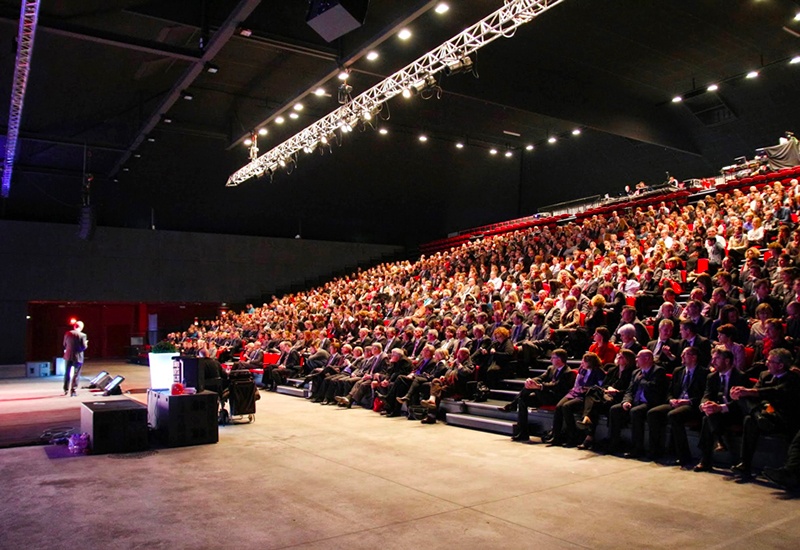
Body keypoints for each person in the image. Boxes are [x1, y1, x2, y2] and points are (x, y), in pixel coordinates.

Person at [728, 348, 800, 482]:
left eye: (770, 361)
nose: (766, 363)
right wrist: (739, 393)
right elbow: (755, 395)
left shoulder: (793, 378)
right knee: (747, 409)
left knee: (749, 411)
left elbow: (775, 391)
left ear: (780, 365)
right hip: (765, 414)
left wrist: (748, 392)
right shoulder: (764, 375)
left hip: (783, 417)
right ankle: (745, 464)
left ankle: (757, 415)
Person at [646, 346, 708, 465]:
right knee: (653, 413)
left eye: (685, 354)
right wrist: (671, 400)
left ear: (694, 357)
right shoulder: (678, 371)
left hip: (691, 405)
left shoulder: (703, 373)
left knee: (674, 415)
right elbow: (669, 391)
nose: (682, 357)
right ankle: (655, 450)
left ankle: (683, 455)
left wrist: (687, 401)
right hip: (676, 402)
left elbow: (703, 395)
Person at [501, 348, 574, 442]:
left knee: (533, 388)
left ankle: (512, 405)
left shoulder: (568, 372)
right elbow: (540, 378)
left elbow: (557, 386)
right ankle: (523, 432)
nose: (551, 360)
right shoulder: (551, 368)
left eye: (553, 358)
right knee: (522, 400)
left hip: (555, 397)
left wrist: (539, 386)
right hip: (544, 395)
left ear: (559, 359)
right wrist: (531, 381)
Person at [694, 348, 747, 473]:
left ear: (727, 361)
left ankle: (706, 459)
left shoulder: (740, 377)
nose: (713, 361)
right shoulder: (712, 377)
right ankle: (718, 442)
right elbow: (707, 394)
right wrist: (705, 405)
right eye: (712, 358)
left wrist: (721, 407)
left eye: (716, 358)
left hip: (734, 412)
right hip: (716, 412)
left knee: (708, 418)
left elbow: (741, 403)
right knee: (708, 416)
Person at [607, 349, 668, 458]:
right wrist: (626, 401)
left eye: (638, 357)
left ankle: (637, 447)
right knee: (615, 409)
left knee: (636, 412)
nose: (636, 359)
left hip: (650, 402)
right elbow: (630, 390)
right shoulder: (636, 372)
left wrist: (642, 380)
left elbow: (653, 387)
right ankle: (614, 443)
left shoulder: (658, 371)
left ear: (647, 358)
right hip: (635, 400)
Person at [63, 320, 88, 397]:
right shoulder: (82, 335)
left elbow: (64, 344)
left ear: (74, 326)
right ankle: (73, 391)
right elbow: (83, 347)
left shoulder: (67, 333)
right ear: (81, 327)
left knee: (67, 373)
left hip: (68, 356)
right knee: (76, 374)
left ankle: (65, 389)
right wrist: (86, 344)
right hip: (77, 357)